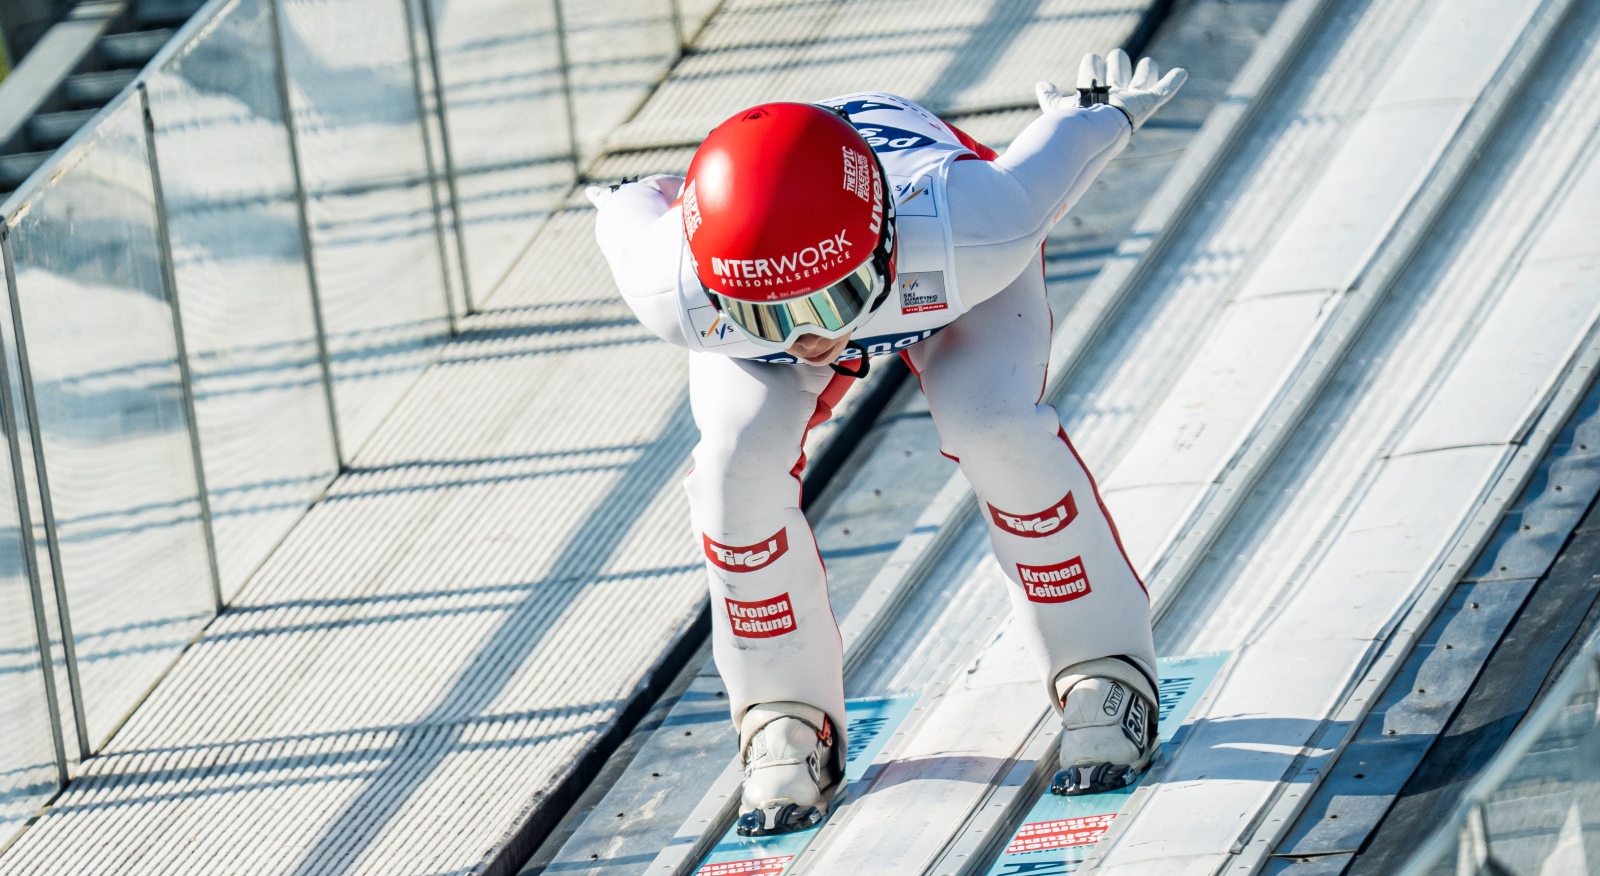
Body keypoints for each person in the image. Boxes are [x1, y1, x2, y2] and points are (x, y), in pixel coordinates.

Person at [589, 49, 1187, 836]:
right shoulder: (669, 280)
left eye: (831, 302)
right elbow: (633, 209)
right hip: (884, 258)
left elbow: (1051, 167)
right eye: (774, 317)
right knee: (734, 471)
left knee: (997, 428)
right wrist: (634, 198)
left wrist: (1093, 115)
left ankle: (1102, 663)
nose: (811, 343)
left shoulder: (967, 219)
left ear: (881, 244)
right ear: (716, 282)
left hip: (931, 255)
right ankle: (780, 712)